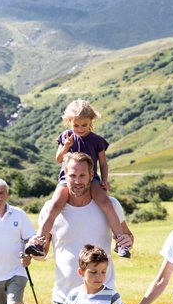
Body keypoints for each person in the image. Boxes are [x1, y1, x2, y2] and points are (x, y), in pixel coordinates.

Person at [37, 153, 131, 304]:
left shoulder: (110, 205)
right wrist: (31, 255)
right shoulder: (51, 208)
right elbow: (43, 251)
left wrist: (127, 240)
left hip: (100, 296)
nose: (77, 181)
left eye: (82, 175)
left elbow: (126, 235)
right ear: (64, 176)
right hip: (64, 297)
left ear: (92, 176)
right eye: (72, 175)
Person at [28, 100, 131, 258]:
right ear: (69, 122)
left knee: (106, 203)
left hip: (92, 179)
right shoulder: (65, 137)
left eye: (85, 125)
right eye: (76, 125)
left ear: (91, 121)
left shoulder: (97, 140)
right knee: (54, 205)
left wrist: (104, 180)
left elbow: (103, 163)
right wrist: (66, 146)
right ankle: (39, 242)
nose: (80, 129)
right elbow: (58, 159)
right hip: (66, 179)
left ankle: (120, 241)